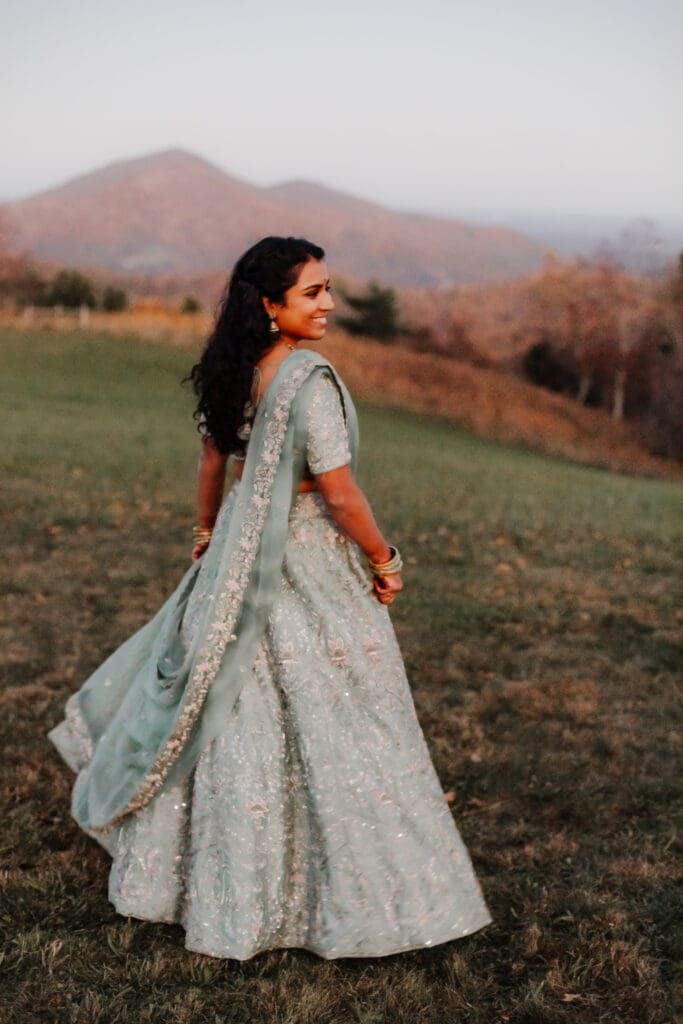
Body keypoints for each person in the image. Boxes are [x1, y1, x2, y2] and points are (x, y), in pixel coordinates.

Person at [48, 236, 491, 960]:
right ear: (270, 303)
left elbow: (211, 460)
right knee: (342, 719)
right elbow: (341, 495)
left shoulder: (230, 369)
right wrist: (384, 557)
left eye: (327, 289)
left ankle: (208, 888)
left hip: (233, 561)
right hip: (305, 559)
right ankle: (345, 896)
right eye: (313, 292)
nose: (329, 304)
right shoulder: (307, 381)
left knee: (232, 712)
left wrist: (207, 530)